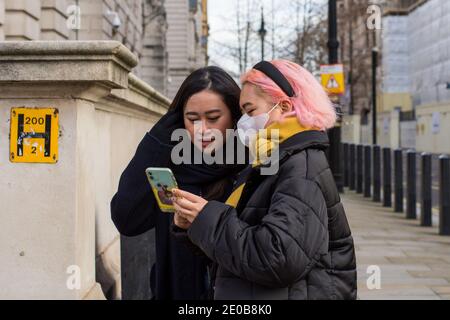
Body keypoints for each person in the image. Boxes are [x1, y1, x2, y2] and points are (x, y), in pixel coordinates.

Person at [172, 60, 357, 300]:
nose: (243, 122)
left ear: (284, 106)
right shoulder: (272, 159)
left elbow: (278, 257)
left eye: (250, 111)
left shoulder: (301, 165)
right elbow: (244, 248)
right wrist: (195, 225)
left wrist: (208, 217)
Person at [110, 66, 245, 300]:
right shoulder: (169, 165)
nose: (203, 130)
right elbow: (127, 220)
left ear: (234, 117)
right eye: (192, 119)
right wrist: (154, 143)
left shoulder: (250, 165)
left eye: (213, 118)